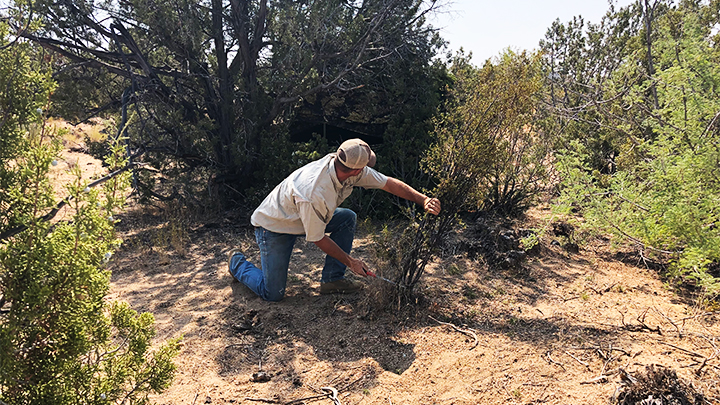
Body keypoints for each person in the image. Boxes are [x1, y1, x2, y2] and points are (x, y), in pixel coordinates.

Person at [228, 138, 441, 301]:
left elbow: (388, 183)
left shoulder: (348, 168)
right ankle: (237, 263)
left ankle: (332, 280)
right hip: (275, 225)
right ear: (356, 168)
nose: (368, 169)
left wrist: (423, 200)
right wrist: (351, 262)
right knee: (273, 293)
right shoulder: (313, 192)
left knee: (346, 217)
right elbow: (317, 238)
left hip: (304, 218)